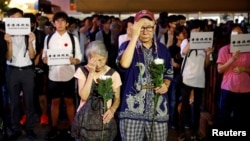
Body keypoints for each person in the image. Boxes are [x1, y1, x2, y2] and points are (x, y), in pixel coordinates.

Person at [117, 10, 172, 141]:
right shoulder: (126, 46)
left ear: (154, 27)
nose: (145, 31)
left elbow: (169, 72)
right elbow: (124, 64)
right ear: (135, 27)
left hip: (158, 109)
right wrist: (134, 36)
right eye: (141, 27)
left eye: (149, 27)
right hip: (131, 111)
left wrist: (166, 84)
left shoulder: (162, 49)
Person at [42, 11, 82, 140]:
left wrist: (74, 60)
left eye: (62, 21)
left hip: (68, 74)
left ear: (67, 23)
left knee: (70, 102)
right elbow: (44, 56)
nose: (59, 24)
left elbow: (79, 57)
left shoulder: (72, 38)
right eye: (57, 21)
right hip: (53, 75)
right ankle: (54, 128)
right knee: (55, 102)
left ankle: (72, 128)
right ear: (53, 23)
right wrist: (45, 60)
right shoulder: (48, 38)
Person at [72, 40, 122, 140]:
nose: (98, 64)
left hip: (104, 118)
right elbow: (84, 96)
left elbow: (117, 98)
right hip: (84, 119)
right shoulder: (82, 71)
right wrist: (91, 73)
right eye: (95, 60)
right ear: (88, 58)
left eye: (101, 60)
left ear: (106, 57)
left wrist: (112, 110)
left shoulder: (113, 74)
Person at [4, 7, 37, 140]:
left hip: (27, 70)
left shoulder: (29, 34)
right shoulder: (5, 35)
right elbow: (8, 57)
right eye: (12, 19)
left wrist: (30, 42)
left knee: (29, 101)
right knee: (14, 102)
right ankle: (16, 128)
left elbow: (33, 56)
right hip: (12, 71)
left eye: (18, 18)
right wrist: (9, 44)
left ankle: (29, 128)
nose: (15, 21)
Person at [178, 19, 214, 141]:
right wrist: (194, 38)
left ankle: (195, 131)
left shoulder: (206, 43)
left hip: (200, 78)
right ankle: (181, 131)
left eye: (199, 29)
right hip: (187, 78)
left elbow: (206, 64)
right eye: (195, 29)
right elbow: (183, 52)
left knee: (197, 107)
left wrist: (208, 54)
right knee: (185, 107)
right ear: (191, 30)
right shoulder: (186, 41)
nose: (198, 31)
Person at [216, 24, 250, 131]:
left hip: (245, 89)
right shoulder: (224, 50)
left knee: (242, 118)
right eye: (235, 33)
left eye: (240, 33)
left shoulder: (248, 50)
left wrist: (244, 69)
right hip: (228, 88)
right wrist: (232, 59)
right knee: (224, 117)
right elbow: (220, 69)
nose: (238, 35)